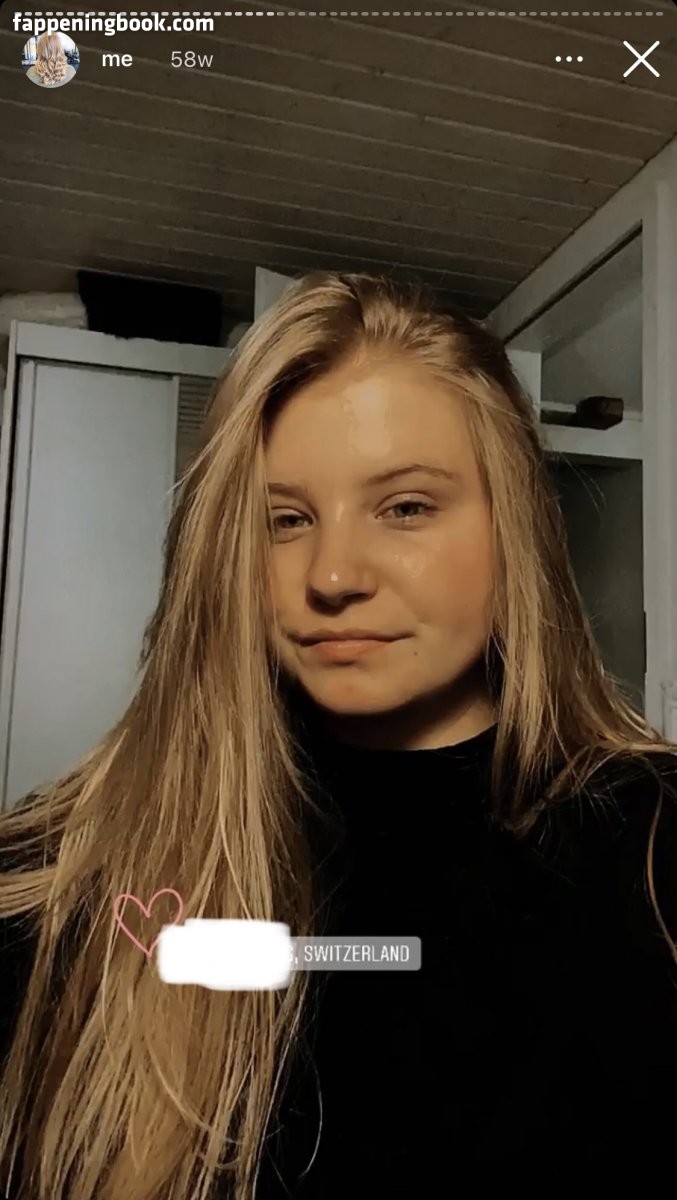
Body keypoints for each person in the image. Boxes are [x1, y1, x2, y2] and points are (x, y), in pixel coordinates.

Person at [1, 270, 677, 1200]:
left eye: (404, 508)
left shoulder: (652, 839)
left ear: (516, 524)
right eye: (285, 520)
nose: (330, 575)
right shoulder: (73, 864)